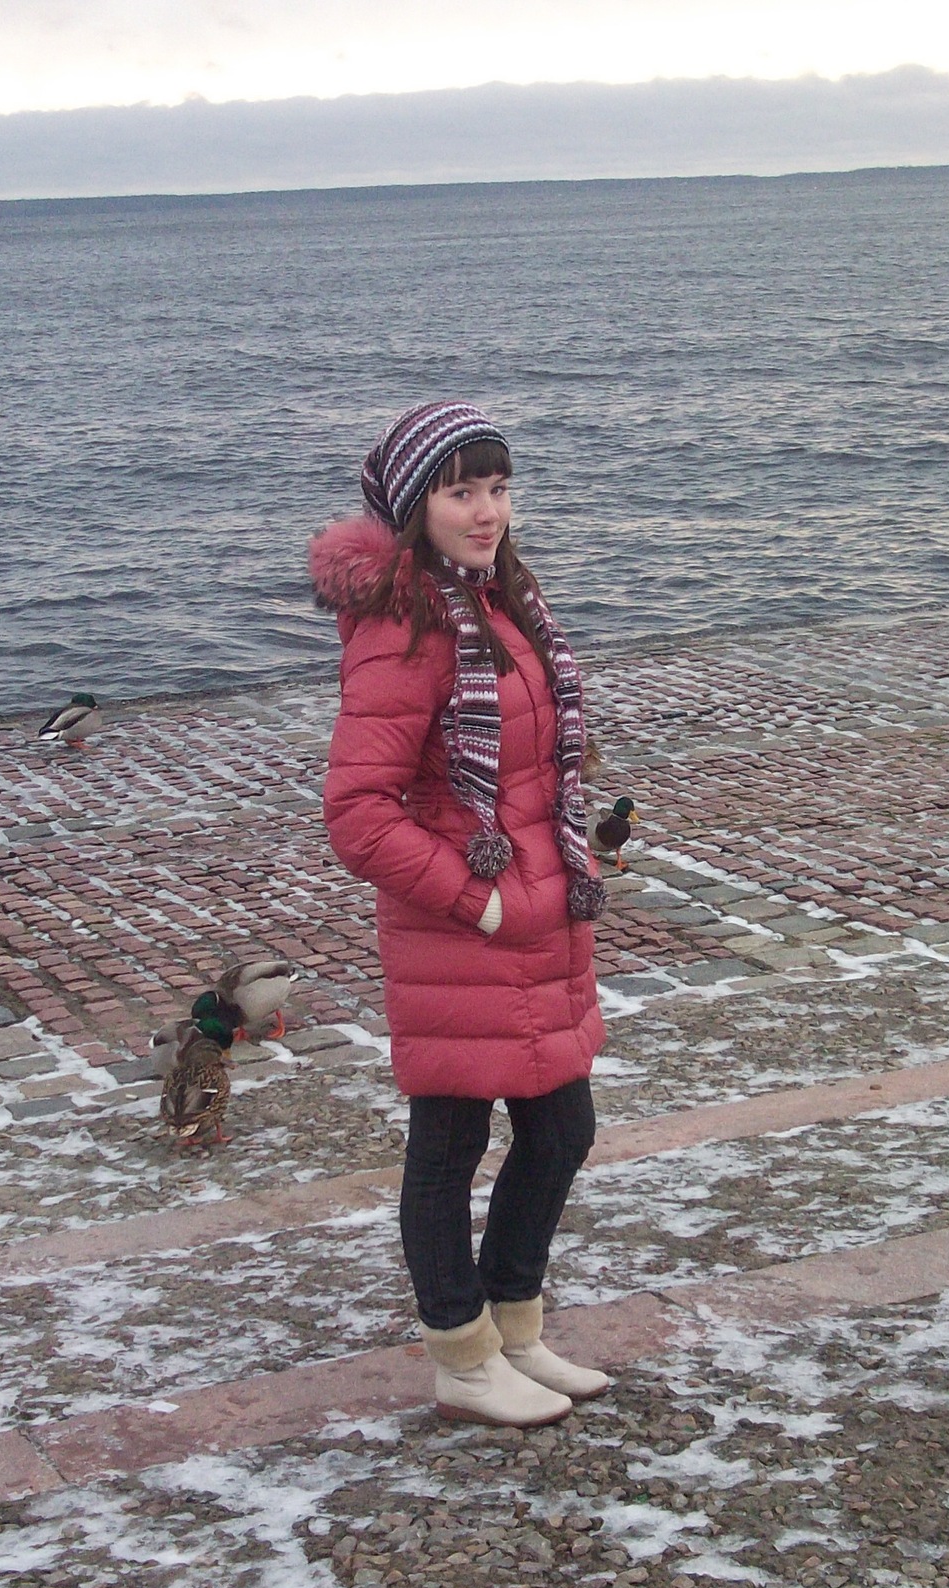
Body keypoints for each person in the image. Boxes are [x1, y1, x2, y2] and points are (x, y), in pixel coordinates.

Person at [313, 402, 612, 1429]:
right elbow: (357, 811)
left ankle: (513, 1328)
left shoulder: (501, 599)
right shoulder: (405, 624)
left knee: (561, 1128)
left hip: (539, 915)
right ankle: (461, 1353)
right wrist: (476, 902)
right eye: (460, 492)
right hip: (466, 929)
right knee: (448, 1144)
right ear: (414, 507)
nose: (486, 511)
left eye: (497, 487)